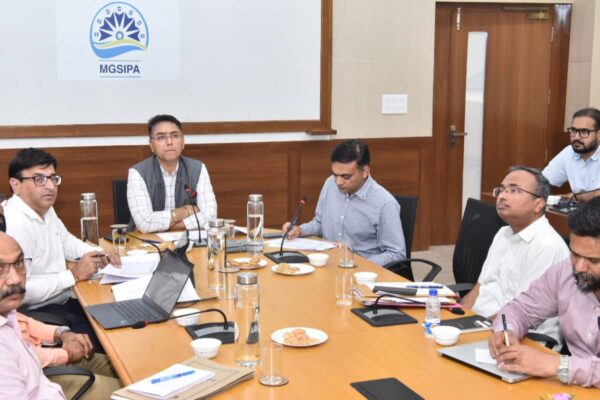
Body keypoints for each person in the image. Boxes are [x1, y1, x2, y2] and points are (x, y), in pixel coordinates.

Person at [3, 148, 119, 351]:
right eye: (39, 179)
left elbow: (66, 241)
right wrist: (73, 275)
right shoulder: (11, 225)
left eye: (53, 178)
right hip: (40, 314)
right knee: (109, 340)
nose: (50, 186)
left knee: (116, 317)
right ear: (16, 185)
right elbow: (22, 291)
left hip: (63, 299)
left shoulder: (44, 208)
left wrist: (99, 254)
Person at [489, 196, 600, 388]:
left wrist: (559, 365)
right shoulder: (564, 272)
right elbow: (519, 309)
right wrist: (505, 331)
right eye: (575, 254)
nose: (579, 267)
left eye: (593, 260)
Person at [0, 232, 119, 399]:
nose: (15, 279)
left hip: (43, 373)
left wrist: (61, 333)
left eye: (19, 263)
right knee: (132, 390)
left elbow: (24, 323)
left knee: (126, 367)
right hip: (48, 377)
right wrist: (66, 354)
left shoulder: (7, 308)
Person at [461, 166, 569, 342]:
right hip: (480, 325)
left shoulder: (546, 246)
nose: (503, 196)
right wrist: (457, 317)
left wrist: (471, 330)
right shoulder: (503, 233)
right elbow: (480, 287)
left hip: (521, 339)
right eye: (502, 189)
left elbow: (520, 313)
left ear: (538, 204)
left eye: (514, 190)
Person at [282, 139, 406, 266]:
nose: (338, 182)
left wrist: (359, 264)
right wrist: (300, 230)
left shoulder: (385, 204)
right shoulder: (330, 184)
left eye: (346, 177)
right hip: (329, 263)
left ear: (365, 172)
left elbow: (396, 253)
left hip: (361, 271)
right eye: (335, 174)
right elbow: (320, 223)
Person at [127, 114, 217, 233]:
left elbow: (210, 216)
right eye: (161, 137)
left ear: (183, 142)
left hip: (187, 240)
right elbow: (145, 223)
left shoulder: (198, 168)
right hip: (146, 242)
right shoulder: (137, 173)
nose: (169, 142)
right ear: (151, 145)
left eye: (174, 136)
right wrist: (185, 211)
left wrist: (173, 227)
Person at [543, 107, 600, 202]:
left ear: (599, 134)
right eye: (573, 130)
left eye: (584, 132)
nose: (576, 137)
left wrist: (576, 197)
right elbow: (542, 181)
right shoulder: (569, 152)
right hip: (580, 209)